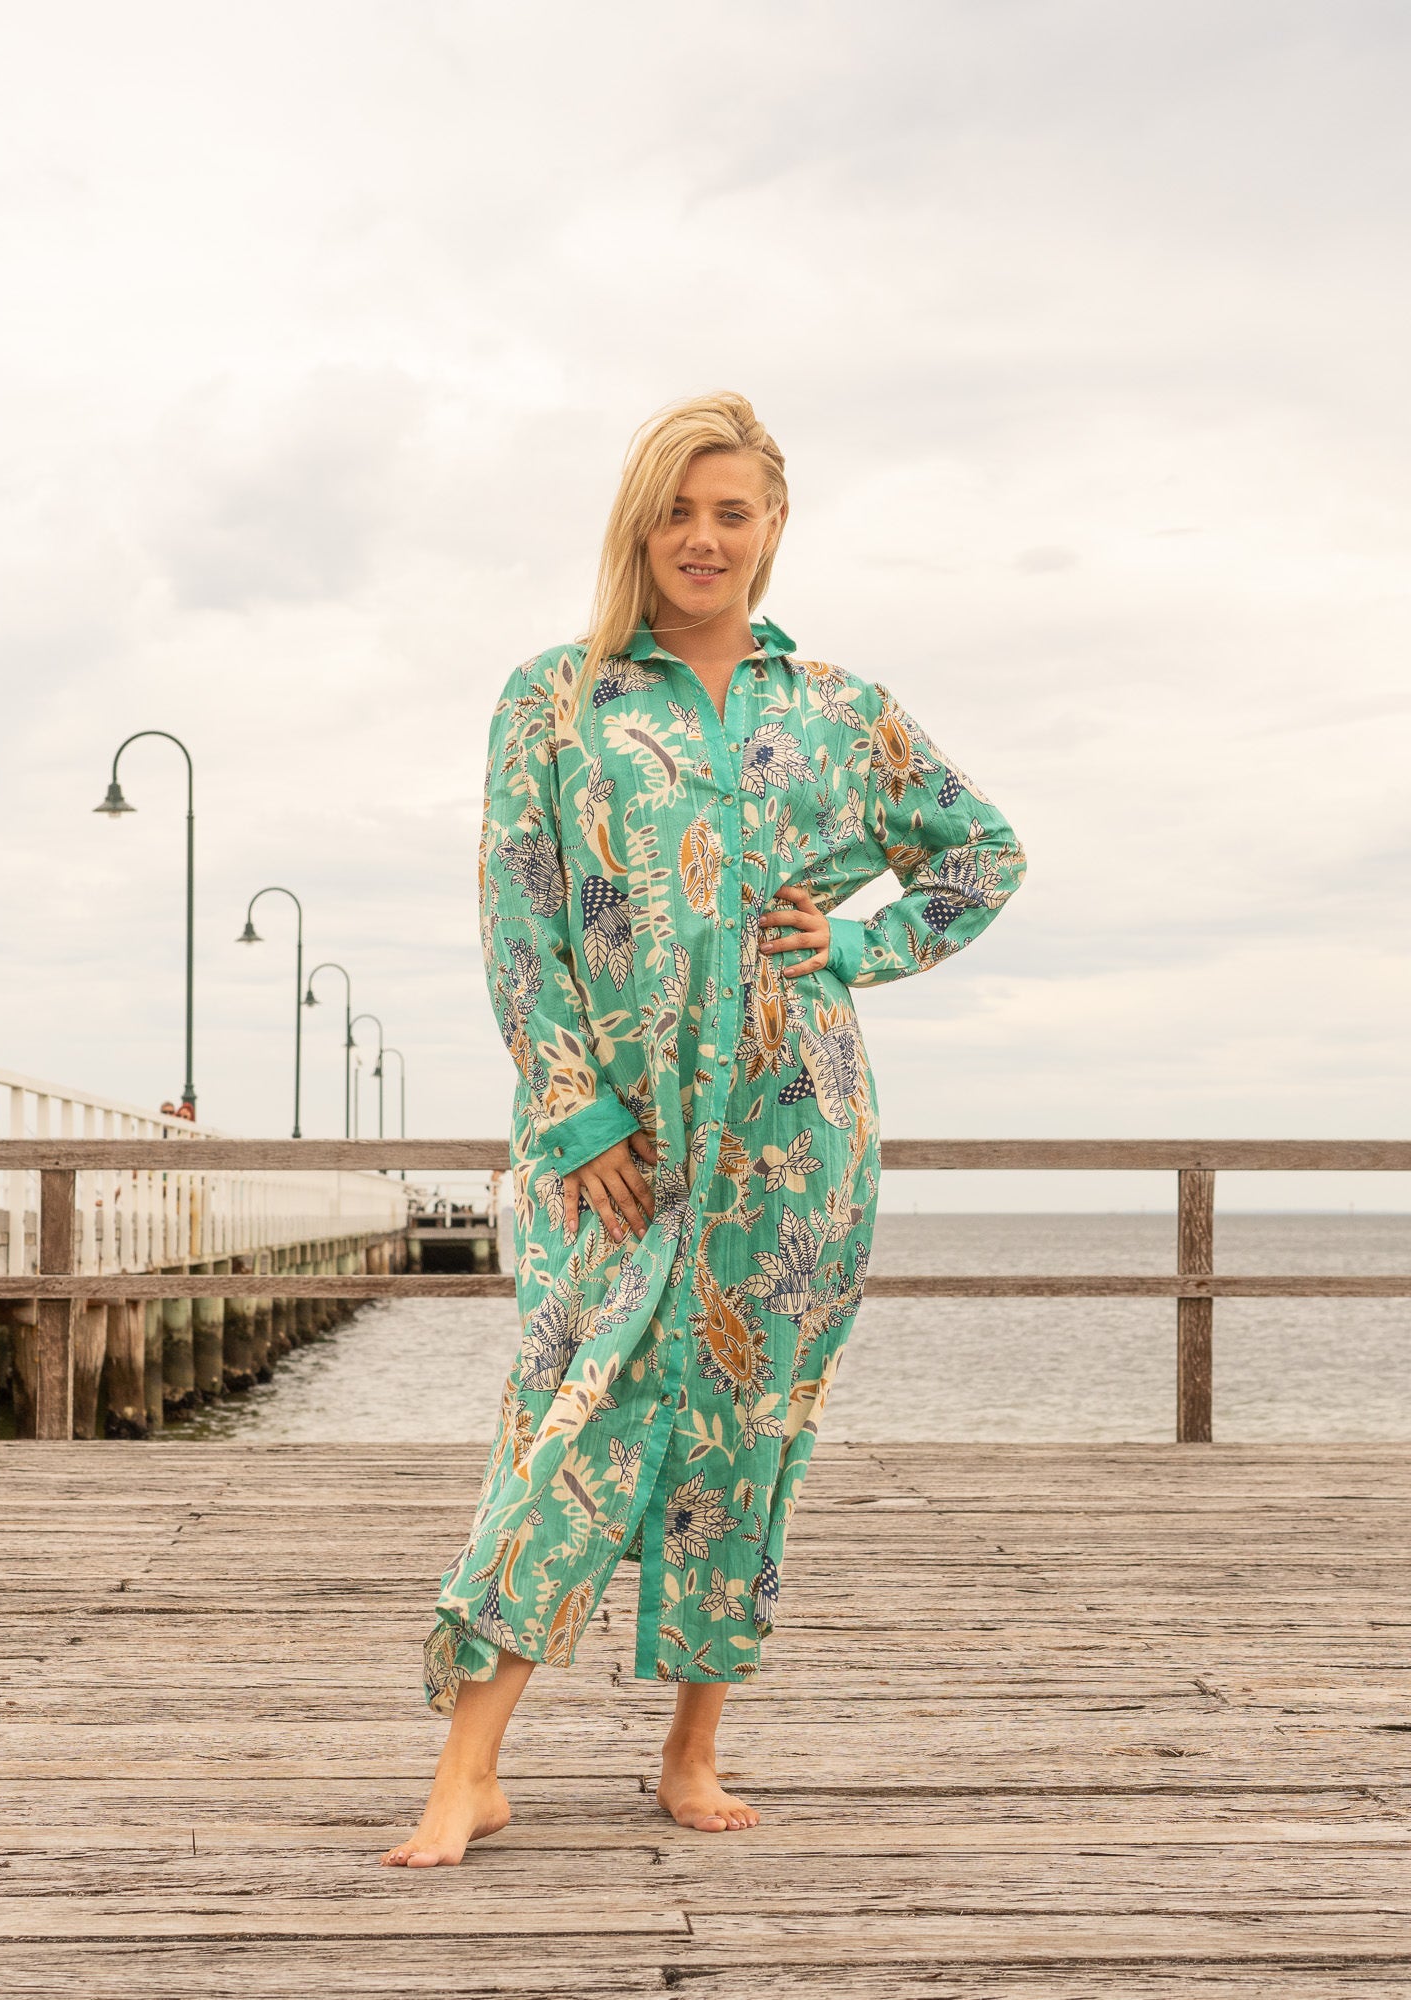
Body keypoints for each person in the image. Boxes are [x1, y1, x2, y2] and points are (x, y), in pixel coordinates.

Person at [384, 392, 1026, 1868]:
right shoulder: (558, 698)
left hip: (795, 1136)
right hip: (617, 1144)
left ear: (774, 528)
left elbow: (983, 852)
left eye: (733, 512)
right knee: (570, 1417)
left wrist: (855, 946)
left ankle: (692, 1751)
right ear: (639, 524)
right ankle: (468, 1766)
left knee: (748, 1431)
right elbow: (519, 917)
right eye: (679, 510)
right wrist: (573, 1111)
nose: (704, 538)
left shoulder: (843, 713)